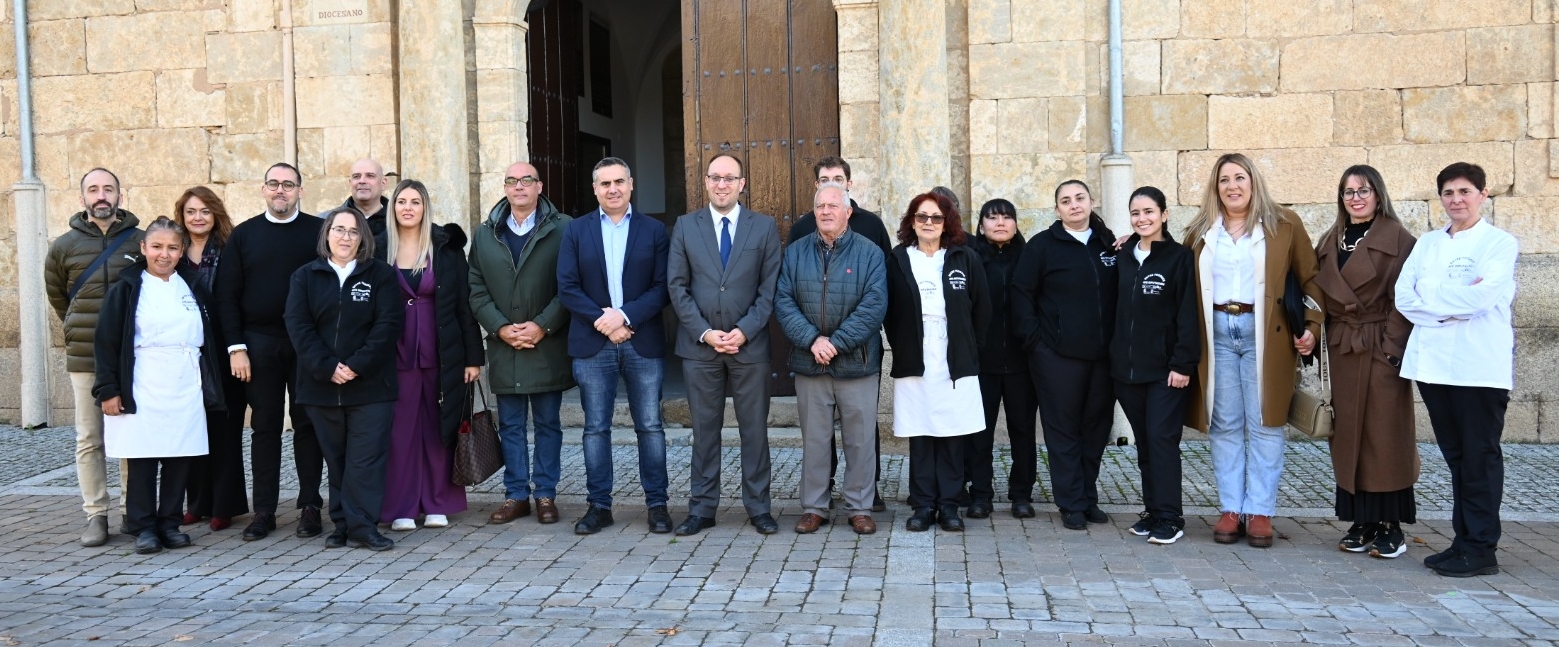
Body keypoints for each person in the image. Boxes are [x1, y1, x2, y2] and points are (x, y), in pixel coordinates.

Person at [1182, 153, 1323, 548]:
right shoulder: (1199, 231)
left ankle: (1260, 510)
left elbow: (1310, 279)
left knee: (1265, 421)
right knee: (1224, 422)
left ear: (1253, 181)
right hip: (1217, 333)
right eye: (1224, 179)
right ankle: (1231, 508)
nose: (1232, 186)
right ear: (1215, 188)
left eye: (1239, 177)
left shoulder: (1284, 224)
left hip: (1267, 333)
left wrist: (1312, 327)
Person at [1395, 162, 1518, 578]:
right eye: (1448, 193)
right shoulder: (1427, 244)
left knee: (1479, 457)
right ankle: (1462, 540)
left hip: (1477, 368)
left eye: (1465, 191)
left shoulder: (1499, 244)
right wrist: (1447, 304)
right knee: (1456, 457)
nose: (1456, 200)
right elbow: (1402, 296)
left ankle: (1482, 547)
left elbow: (1481, 300)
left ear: (1483, 195)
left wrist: (1432, 299)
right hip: (1433, 366)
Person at [667, 154, 784, 536]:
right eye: (715, 178)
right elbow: (677, 286)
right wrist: (704, 332)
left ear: (741, 183)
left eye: (729, 178)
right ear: (706, 182)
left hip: (748, 347)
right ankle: (702, 508)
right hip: (700, 348)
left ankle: (759, 508)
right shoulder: (686, 227)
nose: (721, 184)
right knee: (704, 431)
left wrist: (745, 330)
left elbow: (770, 289)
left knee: (754, 431)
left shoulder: (763, 228)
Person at [556, 157, 673, 536]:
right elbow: (567, 287)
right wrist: (603, 321)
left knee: (651, 427)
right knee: (595, 429)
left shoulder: (655, 231)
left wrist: (623, 317)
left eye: (619, 181)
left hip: (641, 340)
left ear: (631, 184)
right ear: (595, 189)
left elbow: (662, 288)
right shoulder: (576, 231)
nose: (613, 189)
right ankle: (599, 506)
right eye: (604, 183)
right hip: (593, 343)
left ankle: (657, 504)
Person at [94, 217, 223, 554]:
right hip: (142, 380)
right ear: (143, 248)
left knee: (180, 457)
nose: (164, 254)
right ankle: (144, 527)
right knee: (144, 458)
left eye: (172, 248)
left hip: (184, 380)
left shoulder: (192, 287)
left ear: (181, 251)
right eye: (157, 247)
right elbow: (106, 342)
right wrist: (108, 389)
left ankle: (169, 523)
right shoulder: (126, 288)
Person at [216, 162, 328, 541]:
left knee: (308, 423)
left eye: (289, 185)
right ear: (264, 189)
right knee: (264, 427)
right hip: (258, 342)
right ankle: (263, 510)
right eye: (274, 184)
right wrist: (236, 347)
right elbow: (226, 296)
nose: (281, 190)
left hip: (306, 343)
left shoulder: (318, 232)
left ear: (300, 190)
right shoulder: (244, 235)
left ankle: (310, 505)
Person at [1313, 165, 1419, 559]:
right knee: (1350, 435)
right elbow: (1315, 290)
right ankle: (1361, 520)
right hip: (1344, 347)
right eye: (1348, 191)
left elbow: (1405, 298)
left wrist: (1392, 349)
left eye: (1363, 190)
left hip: (1379, 345)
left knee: (1385, 435)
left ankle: (1390, 524)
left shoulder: (1398, 239)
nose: (1355, 198)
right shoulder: (1331, 239)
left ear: (1378, 194)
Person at [284, 207, 403, 551]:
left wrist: (355, 365)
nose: (345, 237)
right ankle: (342, 523)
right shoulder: (305, 276)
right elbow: (298, 326)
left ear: (363, 237)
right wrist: (327, 366)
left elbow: (388, 326)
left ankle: (362, 526)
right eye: (339, 230)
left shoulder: (380, 275)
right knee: (336, 460)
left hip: (370, 387)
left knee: (364, 460)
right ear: (326, 235)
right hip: (321, 387)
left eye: (353, 231)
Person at [775, 182, 888, 535]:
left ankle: (859, 507)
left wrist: (835, 343)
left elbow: (874, 306)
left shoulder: (870, 253)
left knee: (860, 440)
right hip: (811, 363)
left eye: (833, 206)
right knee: (815, 439)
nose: (825, 211)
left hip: (857, 364)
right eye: (820, 206)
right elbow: (783, 301)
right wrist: (812, 340)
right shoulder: (794, 253)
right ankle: (814, 507)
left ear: (848, 211)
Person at [469, 162, 576, 526]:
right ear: (505, 187)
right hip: (504, 346)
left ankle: (545, 494)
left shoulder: (563, 229)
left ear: (539, 186)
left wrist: (542, 325)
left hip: (546, 345)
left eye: (526, 180)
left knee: (548, 423)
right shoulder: (486, 234)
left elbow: (571, 284)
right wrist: (500, 328)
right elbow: (476, 287)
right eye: (512, 181)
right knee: (511, 425)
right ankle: (516, 495)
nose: (519, 187)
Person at [1010, 180, 1119, 531]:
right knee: (1063, 430)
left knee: (1096, 428)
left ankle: (1088, 498)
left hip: (1103, 357)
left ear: (1092, 201)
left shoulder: (1108, 243)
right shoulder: (1042, 246)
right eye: (1065, 201)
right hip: (1056, 357)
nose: (1074, 205)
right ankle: (1071, 503)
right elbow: (1021, 295)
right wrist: (1036, 344)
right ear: (1057, 209)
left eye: (1080, 198)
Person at [44, 167, 144, 547]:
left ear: (120, 194)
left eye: (108, 189)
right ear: (82, 197)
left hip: (130, 357)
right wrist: (80, 329)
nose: (101, 196)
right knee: (90, 437)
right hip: (85, 356)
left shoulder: (139, 241)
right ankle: (96, 514)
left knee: (129, 436)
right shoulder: (64, 246)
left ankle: (131, 510)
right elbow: (58, 297)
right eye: (93, 190)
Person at [379, 180, 484, 531]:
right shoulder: (379, 248)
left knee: (441, 428)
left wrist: (473, 357)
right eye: (401, 201)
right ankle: (403, 506)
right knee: (400, 432)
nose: (408, 208)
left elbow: (464, 306)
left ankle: (438, 502)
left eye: (416, 202)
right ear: (393, 207)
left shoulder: (445, 250)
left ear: (426, 208)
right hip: (395, 354)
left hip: (443, 352)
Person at [885, 191, 989, 533]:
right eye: (921, 217)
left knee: (951, 434)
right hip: (915, 355)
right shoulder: (898, 259)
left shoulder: (964, 257)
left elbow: (982, 309)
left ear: (947, 223)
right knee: (921, 434)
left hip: (954, 357)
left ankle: (949, 506)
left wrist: (969, 348)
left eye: (936, 217)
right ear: (911, 222)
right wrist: (901, 342)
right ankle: (923, 505)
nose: (928, 223)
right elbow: (890, 310)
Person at [1111, 187, 1199, 545]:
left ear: (1164, 214)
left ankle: (1170, 516)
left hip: (1166, 372)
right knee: (1145, 443)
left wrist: (1182, 363)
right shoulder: (1122, 256)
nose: (1142, 218)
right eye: (1135, 213)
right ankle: (1153, 510)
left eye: (1148, 211)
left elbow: (1187, 315)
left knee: (1163, 441)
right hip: (1127, 371)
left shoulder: (1179, 258)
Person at [173, 187, 249, 532]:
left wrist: (237, 347)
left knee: (224, 428)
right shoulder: (173, 250)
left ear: (216, 213)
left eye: (205, 210)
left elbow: (236, 297)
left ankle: (225, 505)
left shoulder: (231, 248)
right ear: (182, 216)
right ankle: (197, 503)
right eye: (191, 211)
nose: (198, 217)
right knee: (191, 426)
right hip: (186, 351)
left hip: (223, 349)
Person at [967, 198, 1039, 519]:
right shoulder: (970, 259)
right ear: (981, 225)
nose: (1000, 223)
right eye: (992, 217)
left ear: (1015, 223)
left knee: (1022, 431)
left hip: (1022, 363)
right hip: (982, 363)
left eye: (1007, 217)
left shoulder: (1029, 258)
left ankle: (1021, 493)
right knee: (979, 434)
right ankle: (980, 493)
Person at [343, 158, 390, 235]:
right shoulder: (327, 220)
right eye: (356, 176)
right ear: (350, 183)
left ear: (383, 183)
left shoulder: (398, 221)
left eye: (370, 176)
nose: (362, 181)